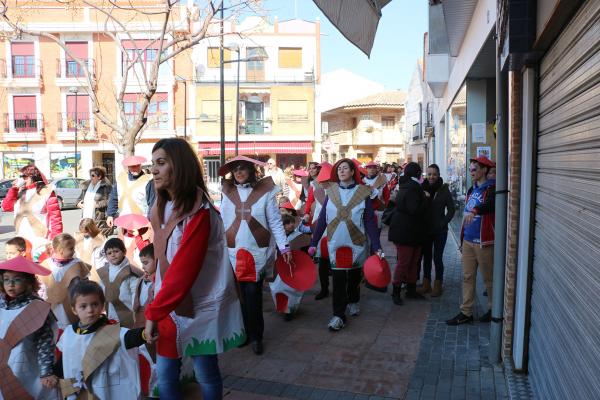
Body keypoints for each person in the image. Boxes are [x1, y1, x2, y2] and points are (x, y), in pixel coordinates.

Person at [145, 138, 245, 400]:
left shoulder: (199, 213)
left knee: (205, 372)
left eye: (161, 163)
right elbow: (162, 256)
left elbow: (183, 270)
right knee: (166, 373)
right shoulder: (158, 208)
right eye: (153, 163)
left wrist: (153, 312)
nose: (153, 170)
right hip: (167, 305)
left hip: (196, 305)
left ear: (179, 166)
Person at [220, 155, 290, 355]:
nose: (239, 172)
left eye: (243, 168)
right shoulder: (227, 191)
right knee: (238, 296)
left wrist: (284, 247)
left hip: (256, 253)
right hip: (233, 252)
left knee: (253, 296)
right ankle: (244, 333)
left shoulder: (265, 191)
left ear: (251, 171)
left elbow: (275, 222)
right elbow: (222, 222)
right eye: (236, 170)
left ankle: (257, 336)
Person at [308, 158, 383, 331]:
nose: (341, 171)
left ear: (352, 172)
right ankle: (338, 315)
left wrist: (377, 246)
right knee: (339, 280)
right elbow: (321, 221)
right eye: (339, 168)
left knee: (354, 277)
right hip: (336, 243)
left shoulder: (363, 192)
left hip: (356, 242)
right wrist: (314, 242)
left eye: (345, 168)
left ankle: (354, 299)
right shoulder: (331, 192)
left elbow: (370, 221)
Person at [58, 280, 147, 399]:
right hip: (79, 390)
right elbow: (65, 359)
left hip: (106, 388)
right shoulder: (69, 334)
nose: (90, 310)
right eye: (83, 306)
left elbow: (128, 337)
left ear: (102, 305)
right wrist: (52, 374)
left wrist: (145, 334)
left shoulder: (111, 331)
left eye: (94, 304)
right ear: (74, 309)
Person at [0, 256, 59, 399]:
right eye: (6, 279)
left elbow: (45, 342)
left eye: (17, 279)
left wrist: (46, 372)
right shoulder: (1, 305)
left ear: (28, 282)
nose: (11, 284)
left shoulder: (37, 307)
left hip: (27, 364)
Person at [447, 156, 496, 325]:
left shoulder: (491, 189)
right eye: (470, 170)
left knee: (489, 278)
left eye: (475, 169)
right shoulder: (471, 190)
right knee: (467, 277)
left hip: (483, 241)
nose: (472, 172)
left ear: (484, 170)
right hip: (468, 240)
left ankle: (493, 309)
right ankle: (466, 312)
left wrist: (475, 210)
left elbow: (490, 205)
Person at [1, 164, 63, 261]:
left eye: (24, 176)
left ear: (33, 176)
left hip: (40, 241)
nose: (22, 179)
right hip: (21, 241)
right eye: (21, 177)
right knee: (22, 272)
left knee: (38, 272)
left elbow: (55, 217)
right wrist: (14, 188)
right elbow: (6, 207)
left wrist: (55, 240)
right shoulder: (21, 192)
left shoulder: (46, 191)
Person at [387, 162, 429, 305]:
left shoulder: (408, 185)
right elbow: (414, 209)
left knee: (413, 261)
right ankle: (396, 291)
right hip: (405, 231)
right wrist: (425, 199)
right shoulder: (413, 187)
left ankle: (411, 290)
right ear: (417, 173)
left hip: (412, 231)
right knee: (404, 263)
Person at [418, 164, 455, 297]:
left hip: (440, 231)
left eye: (434, 174)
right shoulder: (422, 189)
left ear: (438, 175)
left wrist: (443, 223)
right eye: (429, 174)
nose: (431, 177)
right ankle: (426, 284)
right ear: (426, 175)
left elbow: (452, 209)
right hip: (425, 230)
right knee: (426, 257)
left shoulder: (444, 189)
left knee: (437, 257)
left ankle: (438, 284)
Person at [40, 233, 90, 330]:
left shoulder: (77, 264)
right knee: (56, 331)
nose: (74, 251)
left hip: (72, 305)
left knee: (73, 329)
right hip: (54, 307)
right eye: (71, 249)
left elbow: (86, 284)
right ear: (60, 250)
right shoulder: (46, 265)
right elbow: (41, 287)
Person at [268, 214, 310, 321]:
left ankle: (290, 310)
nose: (291, 225)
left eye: (292, 222)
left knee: (291, 289)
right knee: (277, 288)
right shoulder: (275, 238)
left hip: (293, 268)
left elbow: (305, 254)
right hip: (278, 268)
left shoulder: (300, 236)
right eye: (287, 223)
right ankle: (283, 307)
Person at [303, 162, 332, 300]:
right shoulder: (314, 185)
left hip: (335, 220)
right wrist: (307, 213)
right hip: (320, 221)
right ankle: (324, 288)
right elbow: (309, 201)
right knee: (322, 256)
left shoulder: (337, 186)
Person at [97, 238, 139, 328]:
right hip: (110, 313)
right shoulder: (105, 272)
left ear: (124, 251)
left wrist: (136, 311)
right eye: (109, 253)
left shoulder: (130, 271)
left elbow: (135, 293)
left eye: (116, 251)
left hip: (128, 312)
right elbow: (100, 291)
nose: (113, 255)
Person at [106, 155, 155, 227]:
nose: (135, 168)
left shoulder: (148, 180)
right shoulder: (121, 179)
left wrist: (150, 220)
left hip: (142, 221)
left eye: (137, 165)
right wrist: (110, 215)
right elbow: (114, 198)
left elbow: (152, 202)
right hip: (123, 218)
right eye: (132, 166)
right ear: (128, 167)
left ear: (140, 165)